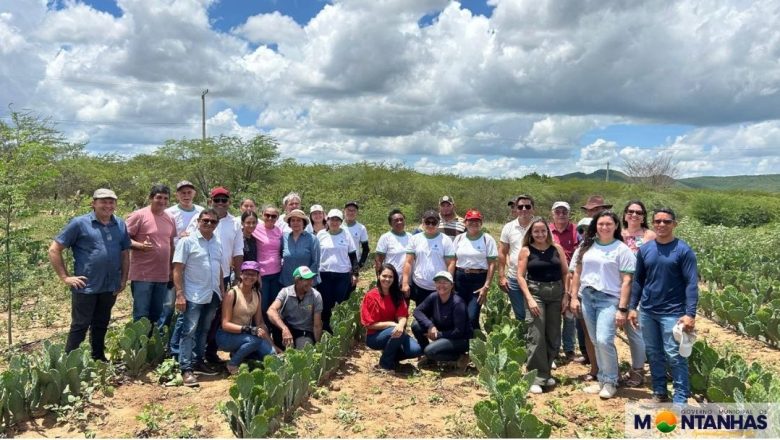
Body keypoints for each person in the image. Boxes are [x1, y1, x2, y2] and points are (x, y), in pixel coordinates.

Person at [48, 188, 130, 361]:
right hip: (86, 285)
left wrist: (123, 279)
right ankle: (68, 363)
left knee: (101, 323)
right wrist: (65, 277)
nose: (108, 205)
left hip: (110, 285)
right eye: (103, 202)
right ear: (93, 203)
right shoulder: (79, 223)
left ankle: (98, 357)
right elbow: (54, 249)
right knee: (80, 325)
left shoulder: (120, 224)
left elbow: (124, 253)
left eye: (111, 202)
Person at [629, 208, 699, 404]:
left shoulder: (683, 250)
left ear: (674, 224)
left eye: (666, 221)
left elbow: (692, 283)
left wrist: (690, 313)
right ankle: (659, 392)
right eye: (657, 221)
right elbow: (638, 281)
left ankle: (680, 397)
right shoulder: (645, 250)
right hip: (648, 311)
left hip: (673, 312)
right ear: (653, 224)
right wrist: (633, 307)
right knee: (653, 353)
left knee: (675, 355)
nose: (661, 225)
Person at [569, 211, 635, 400]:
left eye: (608, 224)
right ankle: (602, 379)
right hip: (587, 297)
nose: (604, 227)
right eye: (600, 224)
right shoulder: (586, 246)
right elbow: (577, 273)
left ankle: (611, 381)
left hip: (609, 299)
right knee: (595, 340)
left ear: (616, 226)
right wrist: (574, 297)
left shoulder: (621, 249)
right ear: (595, 226)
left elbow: (627, 280)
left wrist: (622, 308)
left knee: (604, 339)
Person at [184, 187, 243, 365]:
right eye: (216, 200)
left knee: (212, 319)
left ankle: (207, 353)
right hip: (196, 278)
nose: (220, 203)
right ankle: (181, 356)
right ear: (211, 201)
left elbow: (238, 251)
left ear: (229, 202)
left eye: (223, 200)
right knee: (189, 320)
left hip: (221, 277)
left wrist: (238, 276)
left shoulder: (234, 223)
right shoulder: (200, 217)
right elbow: (186, 239)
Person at [516, 218, 569, 394]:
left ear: (548, 231)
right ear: (531, 233)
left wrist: (566, 296)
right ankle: (535, 377)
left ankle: (545, 372)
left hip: (556, 293)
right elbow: (521, 276)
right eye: (536, 231)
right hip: (536, 292)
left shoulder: (557, 249)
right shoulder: (526, 251)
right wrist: (529, 299)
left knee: (553, 334)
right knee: (536, 335)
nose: (540, 234)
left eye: (543, 231)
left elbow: (565, 273)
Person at [172, 209, 224, 387]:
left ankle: (198, 361)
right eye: (206, 221)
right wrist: (179, 294)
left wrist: (222, 292)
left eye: (213, 222)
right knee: (189, 331)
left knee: (204, 330)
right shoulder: (187, 241)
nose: (209, 224)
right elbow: (178, 268)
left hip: (212, 293)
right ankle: (186, 368)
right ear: (198, 221)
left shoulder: (217, 242)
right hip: (193, 294)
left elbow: (220, 268)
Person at [125, 184, 176, 329]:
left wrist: (171, 269)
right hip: (142, 275)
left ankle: (151, 349)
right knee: (141, 315)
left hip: (162, 275)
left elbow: (171, 243)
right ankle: (139, 349)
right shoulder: (139, 215)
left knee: (156, 314)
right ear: (151, 198)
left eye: (166, 198)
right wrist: (140, 246)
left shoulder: (170, 217)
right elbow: (123, 238)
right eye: (159, 197)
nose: (162, 201)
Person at [620, 200, 657, 388]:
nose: (634, 215)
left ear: (644, 216)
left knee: (635, 329)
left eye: (639, 212)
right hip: (616, 286)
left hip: (641, 287)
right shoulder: (618, 233)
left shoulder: (649, 235)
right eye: (631, 211)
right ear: (625, 214)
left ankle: (638, 370)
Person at [216, 261, 276, 374]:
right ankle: (232, 363)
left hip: (246, 336)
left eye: (253, 274)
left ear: (258, 277)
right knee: (255, 341)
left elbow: (259, 323)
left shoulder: (257, 294)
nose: (249, 277)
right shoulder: (232, 294)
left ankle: (243, 356)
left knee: (272, 355)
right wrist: (248, 329)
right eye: (247, 273)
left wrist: (273, 345)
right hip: (226, 336)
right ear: (241, 275)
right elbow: (225, 324)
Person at [361, 264, 422, 372]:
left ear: (394, 279)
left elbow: (402, 316)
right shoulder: (371, 296)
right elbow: (369, 324)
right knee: (397, 331)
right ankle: (384, 364)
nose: (387, 279)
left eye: (390, 277)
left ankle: (390, 357)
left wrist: (400, 325)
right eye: (384, 276)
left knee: (415, 350)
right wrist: (392, 324)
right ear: (378, 276)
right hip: (375, 336)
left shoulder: (397, 295)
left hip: (396, 333)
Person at [163, 181, 204, 329]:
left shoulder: (201, 211)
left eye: (189, 192)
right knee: (168, 304)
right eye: (182, 193)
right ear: (177, 195)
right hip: (174, 262)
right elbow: (166, 237)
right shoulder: (169, 212)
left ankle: (183, 338)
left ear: (194, 193)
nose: (186, 196)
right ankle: (163, 341)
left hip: (194, 264)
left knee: (190, 303)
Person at [412, 271, 472, 366]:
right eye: (438, 282)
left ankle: (460, 357)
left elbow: (459, 332)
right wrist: (430, 326)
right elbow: (417, 311)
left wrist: (438, 335)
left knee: (430, 351)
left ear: (452, 285)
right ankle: (431, 358)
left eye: (445, 282)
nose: (441, 285)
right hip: (444, 332)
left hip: (460, 339)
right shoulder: (434, 297)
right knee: (416, 325)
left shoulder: (458, 303)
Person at [452, 209, 497, 329]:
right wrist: (450, 280)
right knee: (460, 312)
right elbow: (453, 260)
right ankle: (463, 343)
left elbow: (492, 264)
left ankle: (475, 343)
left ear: (481, 223)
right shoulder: (459, 238)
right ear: (465, 222)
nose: (474, 223)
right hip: (460, 278)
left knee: (472, 315)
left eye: (477, 221)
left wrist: (486, 286)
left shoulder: (487, 239)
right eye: (471, 221)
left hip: (478, 280)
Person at [549, 201, 581, 363]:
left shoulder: (576, 230)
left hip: (571, 276)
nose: (561, 214)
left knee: (569, 315)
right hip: (551, 277)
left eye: (564, 212)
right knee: (554, 316)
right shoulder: (547, 230)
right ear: (552, 213)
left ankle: (569, 348)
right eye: (558, 211)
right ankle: (554, 349)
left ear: (569, 213)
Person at [317, 208, 359, 331]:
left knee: (340, 302)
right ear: (327, 220)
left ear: (341, 221)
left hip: (342, 274)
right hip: (324, 273)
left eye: (337, 220)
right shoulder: (321, 234)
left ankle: (339, 329)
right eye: (331, 219)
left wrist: (355, 273)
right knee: (326, 302)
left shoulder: (346, 234)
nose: (334, 222)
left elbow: (353, 256)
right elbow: (316, 254)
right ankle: (326, 330)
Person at [402, 210, 455, 306]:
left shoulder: (446, 240)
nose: (430, 225)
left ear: (438, 223)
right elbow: (408, 262)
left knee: (439, 317)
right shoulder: (414, 239)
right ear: (422, 222)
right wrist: (405, 282)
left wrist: (448, 283)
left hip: (440, 287)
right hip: (420, 285)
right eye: (427, 222)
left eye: (434, 222)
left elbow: (451, 263)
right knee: (422, 315)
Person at [498, 194, 535, 320]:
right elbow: (502, 252)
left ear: (533, 208)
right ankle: (523, 339)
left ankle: (536, 339)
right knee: (520, 314)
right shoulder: (508, 227)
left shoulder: (539, 226)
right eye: (520, 207)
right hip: (514, 277)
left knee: (535, 313)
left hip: (535, 278)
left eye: (527, 206)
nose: (523, 209)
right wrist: (502, 276)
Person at [267, 266, 323, 349]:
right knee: (285, 353)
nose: (310, 282)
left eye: (311, 279)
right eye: (306, 279)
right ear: (297, 280)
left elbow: (317, 325)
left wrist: (319, 346)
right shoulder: (285, 292)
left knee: (303, 353)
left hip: (304, 331)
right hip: (286, 328)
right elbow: (270, 311)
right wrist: (284, 328)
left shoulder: (316, 296)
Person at [253, 205, 283, 322]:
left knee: (274, 305)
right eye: (267, 215)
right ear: (262, 215)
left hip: (276, 273)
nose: (270, 218)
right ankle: (262, 329)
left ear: (277, 218)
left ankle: (273, 331)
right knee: (263, 305)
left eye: (273, 216)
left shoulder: (278, 231)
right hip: (262, 274)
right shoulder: (256, 228)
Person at [280, 209, 321, 288]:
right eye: (293, 220)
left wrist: (306, 279)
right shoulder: (284, 237)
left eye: (299, 220)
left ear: (303, 223)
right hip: (287, 281)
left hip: (306, 282)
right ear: (289, 223)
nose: (295, 223)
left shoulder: (312, 239)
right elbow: (280, 255)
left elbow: (316, 262)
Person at [374, 209, 411, 283]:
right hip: (390, 279)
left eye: (401, 219)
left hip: (408, 280)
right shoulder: (385, 238)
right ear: (390, 223)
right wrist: (379, 278)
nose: (399, 222)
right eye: (396, 220)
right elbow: (378, 261)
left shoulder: (411, 237)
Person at [344, 201, 370, 270]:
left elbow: (366, 249)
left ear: (357, 212)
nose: (351, 213)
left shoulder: (361, 228)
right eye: (349, 210)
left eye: (354, 211)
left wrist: (360, 264)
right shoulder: (337, 226)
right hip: (339, 265)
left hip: (353, 266)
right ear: (344, 211)